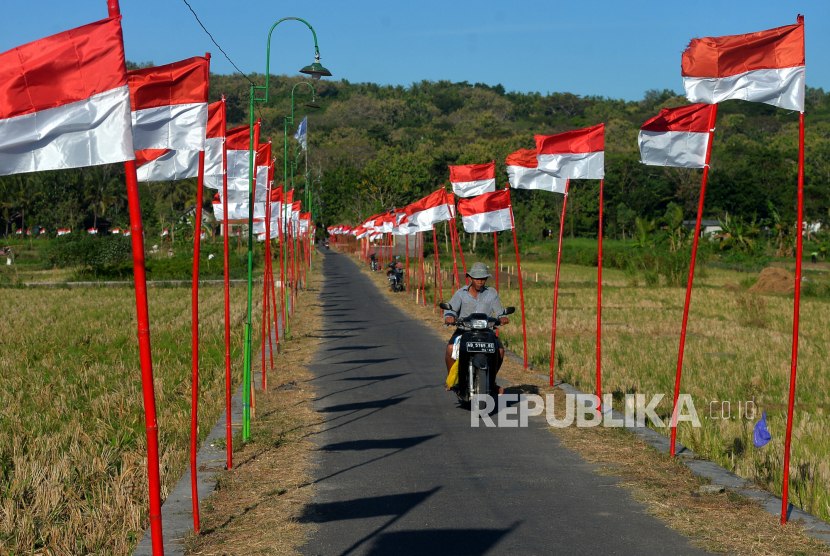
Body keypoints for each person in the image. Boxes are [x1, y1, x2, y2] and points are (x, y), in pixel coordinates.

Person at [442, 262, 509, 393]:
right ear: (470, 278)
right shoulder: (461, 293)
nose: (480, 281)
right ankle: (453, 380)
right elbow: (450, 310)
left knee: (500, 351)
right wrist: (449, 317)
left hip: (486, 331)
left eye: (483, 278)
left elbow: (499, 312)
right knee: (450, 349)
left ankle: (491, 381)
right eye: (477, 278)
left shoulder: (492, 293)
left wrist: (502, 318)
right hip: (464, 330)